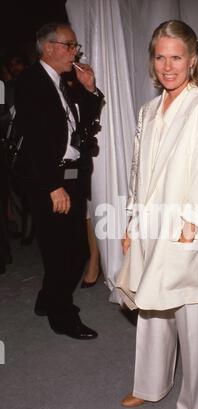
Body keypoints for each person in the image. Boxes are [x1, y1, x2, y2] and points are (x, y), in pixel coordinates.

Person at [116, 20, 198, 409]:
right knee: (152, 313)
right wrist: (131, 219)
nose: (168, 66)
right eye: (160, 56)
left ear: (193, 59)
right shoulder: (148, 110)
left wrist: (193, 230)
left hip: (187, 234)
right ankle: (150, 386)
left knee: (195, 324)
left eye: (176, 57)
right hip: (150, 229)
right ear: (153, 60)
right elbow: (138, 173)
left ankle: (193, 406)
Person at [14, 22, 104, 339]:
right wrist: (53, 185)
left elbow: (83, 124)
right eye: (70, 45)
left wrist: (89, 88)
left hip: (71, 176)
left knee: (69, 248)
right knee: (67, 251)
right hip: (49, 180)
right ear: (49, 46)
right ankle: (62, 315)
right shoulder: (30, 82)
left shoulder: (62, 81)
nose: (75, 52)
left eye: (75, 46)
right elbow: (36, 139)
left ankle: (46, 299)